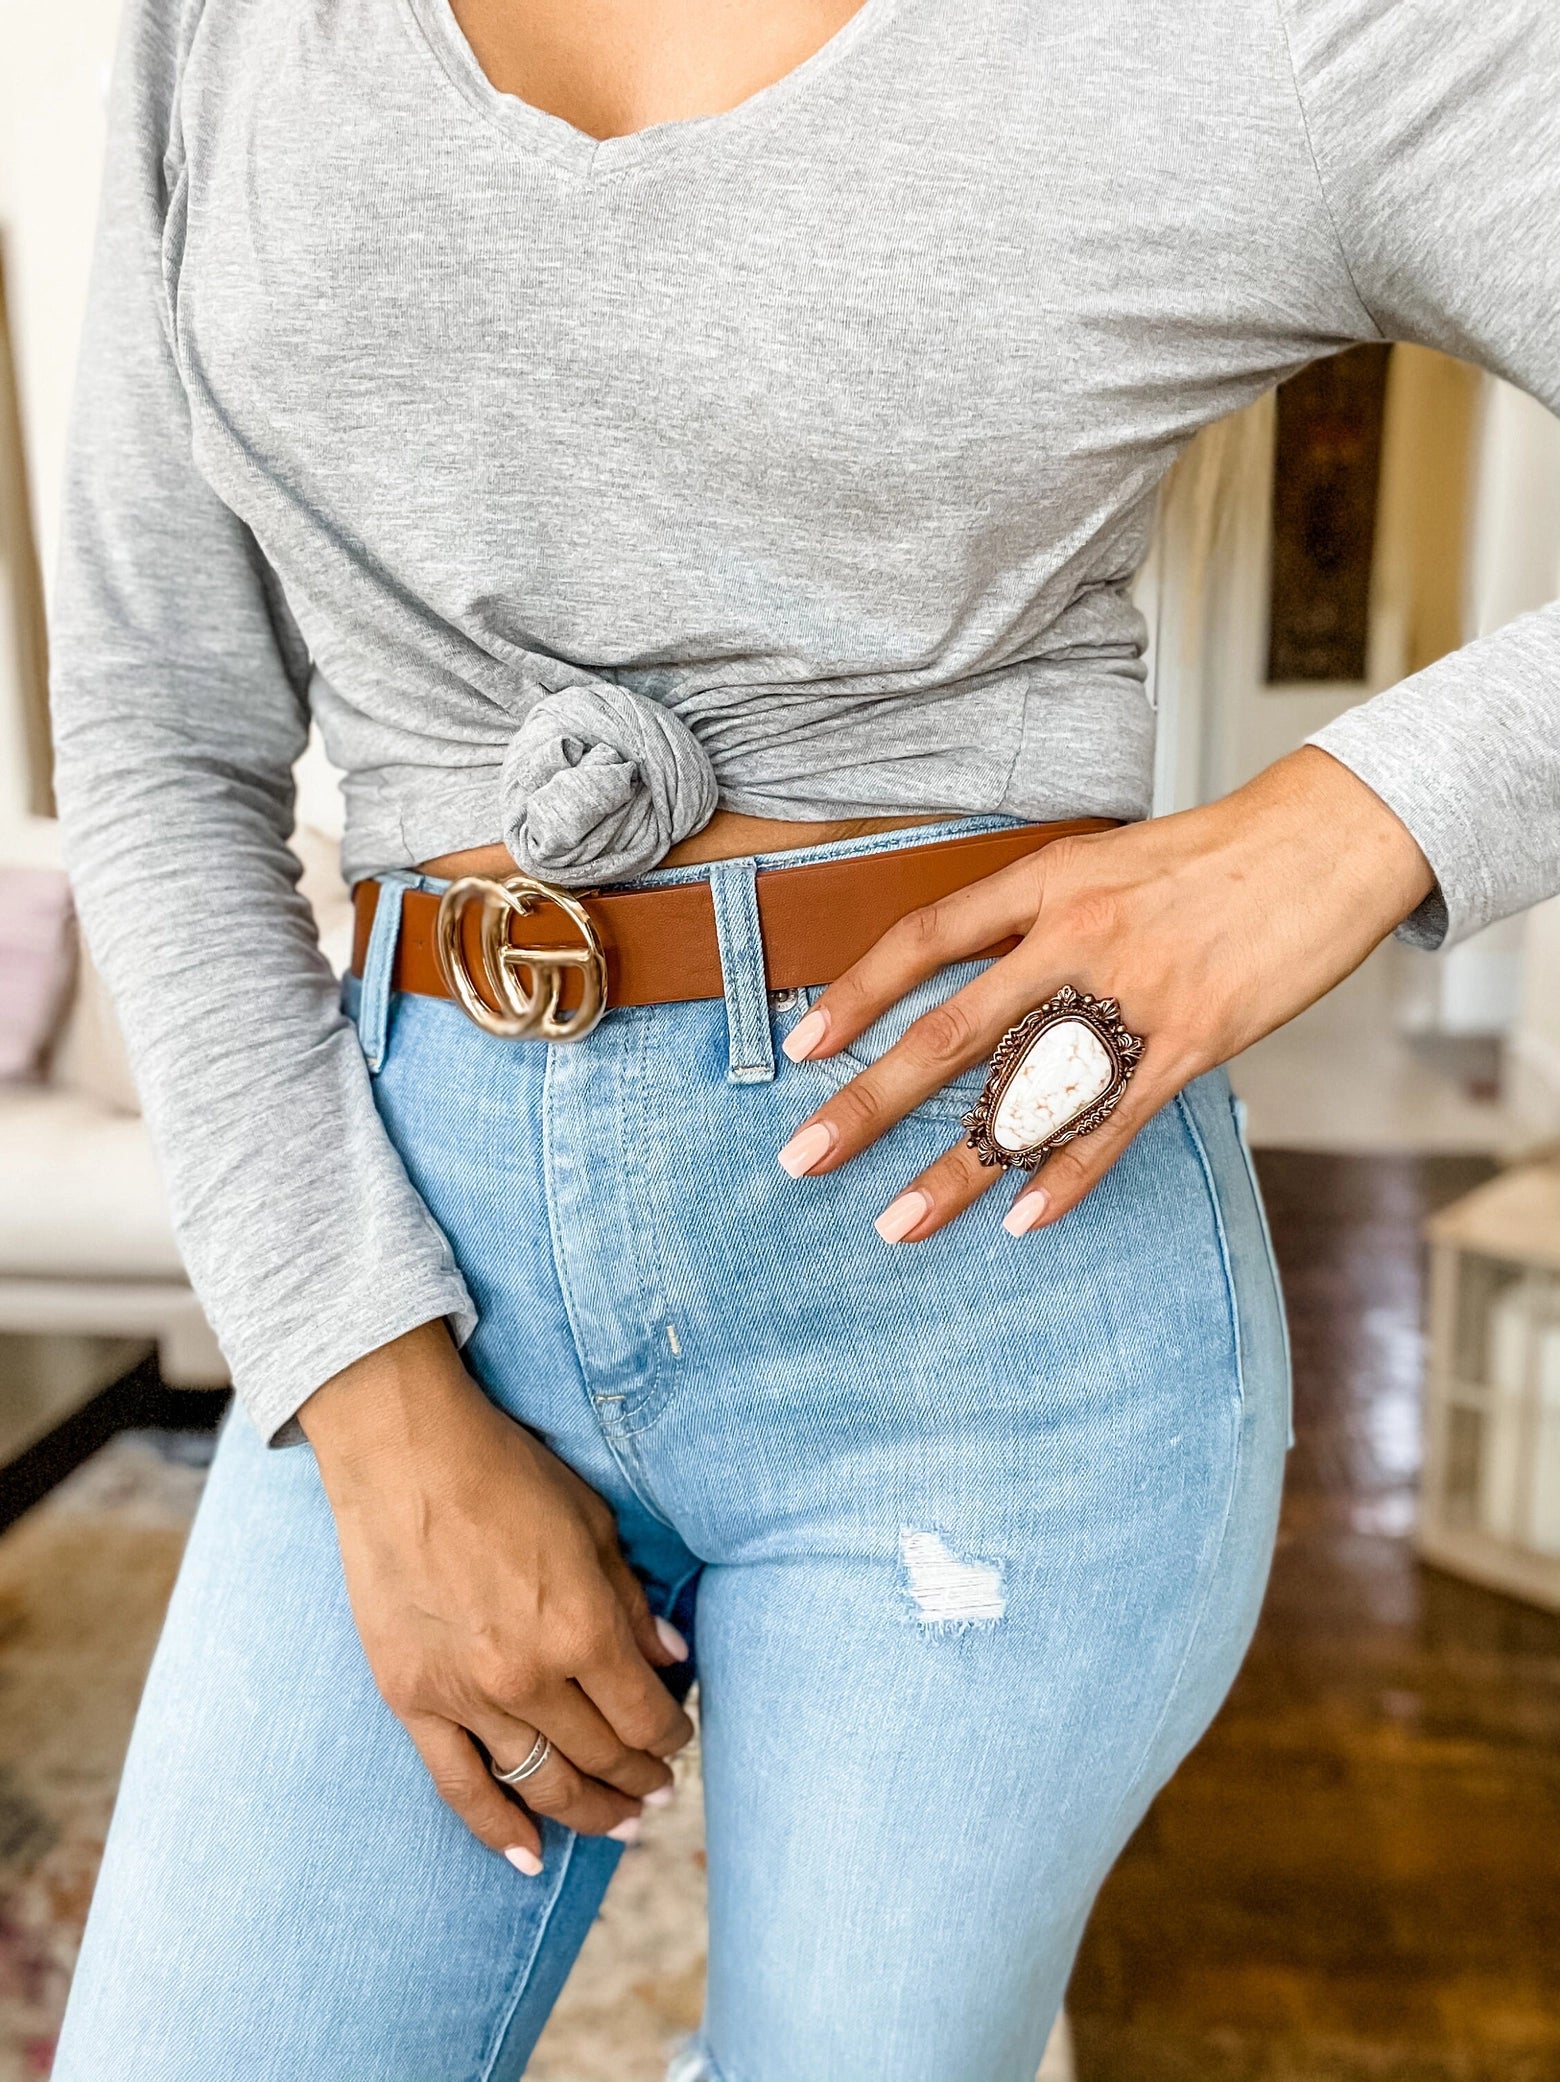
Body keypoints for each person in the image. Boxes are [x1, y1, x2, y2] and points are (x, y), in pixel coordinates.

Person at [46, 0, 1558, 2074]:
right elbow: (155, 734)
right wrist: (372, 1399)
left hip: (985, 1304)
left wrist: (1345, 828)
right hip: (400, 1251)